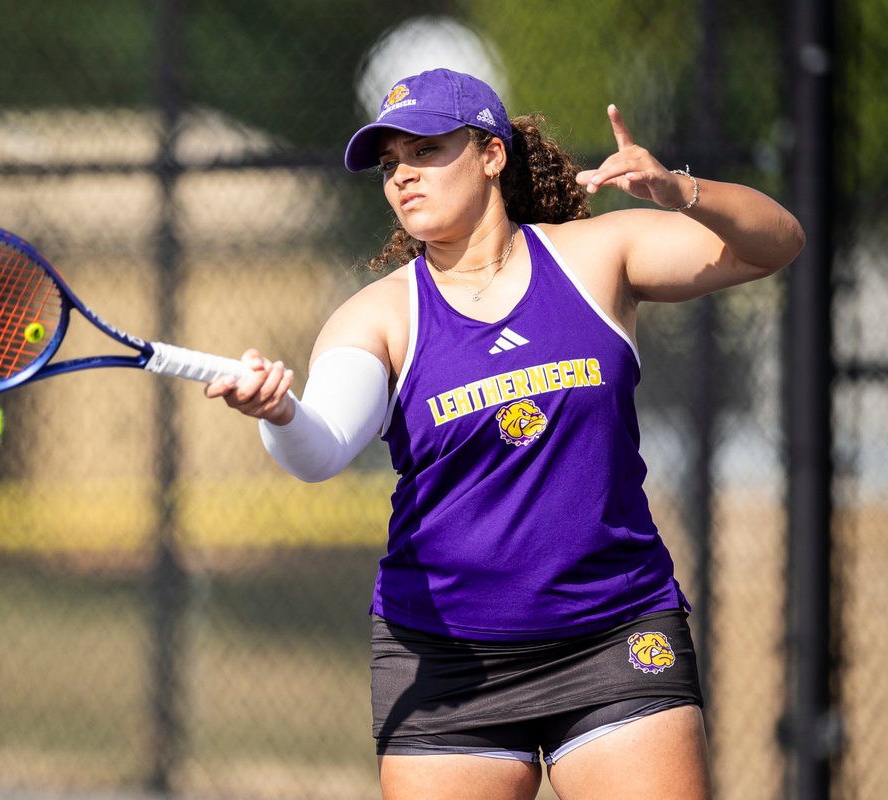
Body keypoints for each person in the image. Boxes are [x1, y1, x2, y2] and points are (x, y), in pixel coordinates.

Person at [205, 68, 804, 800]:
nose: (403, 176)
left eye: (425, 149)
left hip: (613, 633)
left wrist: (682, 192)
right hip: (448, 661)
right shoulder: (381, 314)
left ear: (491, 154)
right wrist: (280, 415)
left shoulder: (593, 256)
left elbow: (776, 245)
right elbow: (322, 446)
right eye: (390, 163)